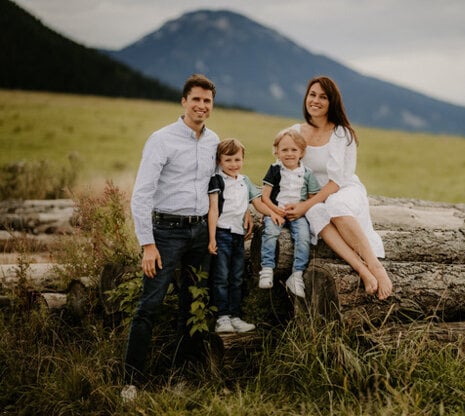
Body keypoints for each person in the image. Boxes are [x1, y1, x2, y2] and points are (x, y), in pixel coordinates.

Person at [122, 74, 220, 401]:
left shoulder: (213, 141)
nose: (202, 106)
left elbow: (219, 186)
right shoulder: (161, 139)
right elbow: (142, 194)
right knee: (149, 306)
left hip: (200, 233)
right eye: (196, 99)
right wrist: (147, 244)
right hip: (166, 233)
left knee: (192, 305)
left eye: (207, 101)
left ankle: (179, 377)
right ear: (183, 101)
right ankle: (132, 382)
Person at [283, 76, 393, 300]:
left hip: (343, 189)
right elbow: (286, 168)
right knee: (314, 213)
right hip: (314, 196)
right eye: (312, 95)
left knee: (334, 203)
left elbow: (336, 182)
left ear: (331, 102)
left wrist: (305, 205)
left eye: (323, 97)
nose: (315, 100)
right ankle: (362, 270)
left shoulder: (342, 133)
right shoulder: (295, 131)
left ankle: (375, 266)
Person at [208, 138, 282, 333]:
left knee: (237, 276)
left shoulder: (245, 181)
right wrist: (212, 237)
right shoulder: (216, 180)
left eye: (237, 160)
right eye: (228, 160)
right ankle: (222, 317)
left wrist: (273, 213)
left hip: (238, 235)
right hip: (222, 233)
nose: (234, 165)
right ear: (219, 161)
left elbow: (257, 204)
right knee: (221, 276)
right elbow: (213, 210)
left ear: (243, 159)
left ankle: (235, 316)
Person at [258, 128, 321, 297]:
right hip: (276, 210)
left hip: (297, 214)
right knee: (270, 232)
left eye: (294, 150)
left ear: (302, 152)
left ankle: (297, 274)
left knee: (303, 237)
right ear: (277, 152)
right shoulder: (275, 169)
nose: (289, 154)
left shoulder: (307, 173)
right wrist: (273, 211)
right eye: (284, 150)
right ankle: (267, 268)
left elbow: (311, 198)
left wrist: (301, 211)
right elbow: (265, 197)